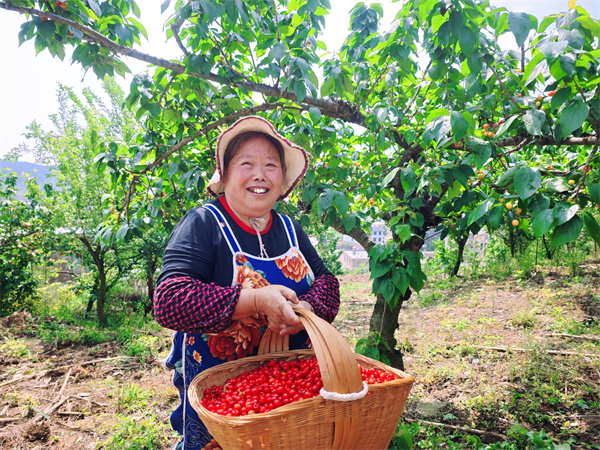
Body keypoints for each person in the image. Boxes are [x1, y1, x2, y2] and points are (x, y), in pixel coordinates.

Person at [153, 115, 341, 450]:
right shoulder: (205, 223)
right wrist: (255, 301)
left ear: (282, 179)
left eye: (271, 165)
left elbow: (327, 282)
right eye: (246, 163)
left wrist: (307, 308)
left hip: (290, 390)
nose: (259, 174)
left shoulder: (288, 228)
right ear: (224, 175)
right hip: (226, 399)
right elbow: (169, 299)